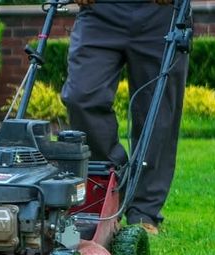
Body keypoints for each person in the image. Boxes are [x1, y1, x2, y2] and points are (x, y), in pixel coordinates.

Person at [61, 0, 188, 235]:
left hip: (160, 12)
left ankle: (144, 210)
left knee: (157, 111)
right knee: (81, 96)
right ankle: (114, 180)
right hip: (100, 11)